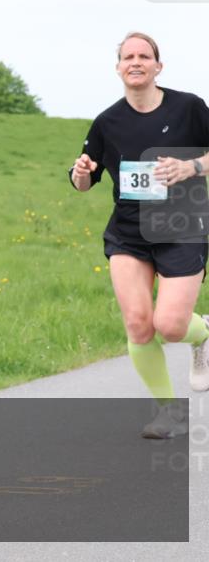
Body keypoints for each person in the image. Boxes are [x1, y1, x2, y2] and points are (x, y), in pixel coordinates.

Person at [70, 32, 209, 439]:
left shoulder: (189, 107)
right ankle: (170, 412)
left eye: (144, 56)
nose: (135, 61)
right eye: (127, 56)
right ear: (118, 68)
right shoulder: (107, 122)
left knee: (169, 325)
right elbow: (84, 180)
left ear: (157, 66)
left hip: (182, 227)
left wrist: (192, 168)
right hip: (129, 234)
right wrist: (80, 175)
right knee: (138, 324)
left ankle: (202, 334)